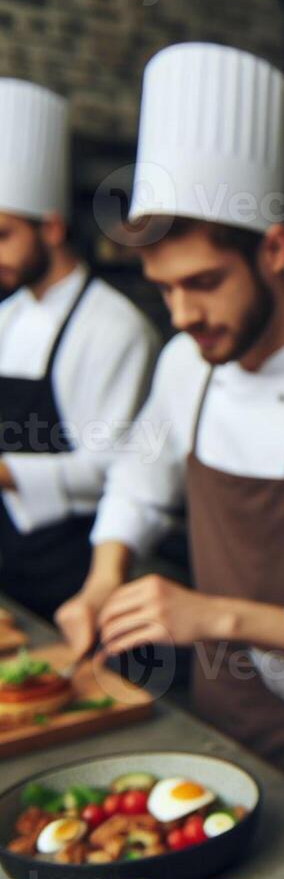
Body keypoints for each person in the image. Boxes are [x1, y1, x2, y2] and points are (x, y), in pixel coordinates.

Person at [56, 43, 284, 797]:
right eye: (164, 290)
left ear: (269, 250)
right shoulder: (188, 362)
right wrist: (105, 574)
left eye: (203, 283)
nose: (183, 314)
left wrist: (216, 618)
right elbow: (141, 472)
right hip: (212, 723)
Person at [0, 79, 159, 619]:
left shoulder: (116, 329)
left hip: (77, 570)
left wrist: (6, 472)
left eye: (2, 234)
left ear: (50, 227)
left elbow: (117, 467)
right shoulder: (7, 314)